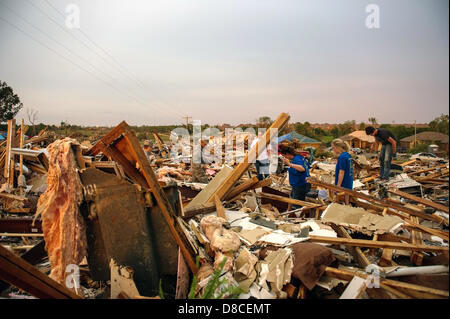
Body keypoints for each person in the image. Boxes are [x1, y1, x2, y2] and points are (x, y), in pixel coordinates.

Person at [331, 139, 353, 205]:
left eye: (333, 148)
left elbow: (341, 172)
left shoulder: (342, 157)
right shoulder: (348, 155)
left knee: (339, 201)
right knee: (347, 199)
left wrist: (338, 186)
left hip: (343, 182)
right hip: (349, 181)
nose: (333, 150)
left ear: (338, 147)